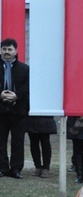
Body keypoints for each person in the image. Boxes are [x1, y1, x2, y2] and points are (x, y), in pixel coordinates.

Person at [0, 38, 29, 179]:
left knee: (18, 141)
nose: (6, 52)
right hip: (1, 110)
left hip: (18, 111)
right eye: (4, 49)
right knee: (1, 141)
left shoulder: (24, 69)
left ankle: (16, 169)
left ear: (16, 51)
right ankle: (2, 168)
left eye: (9, 49)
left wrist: (16, 96)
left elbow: (28, 88)